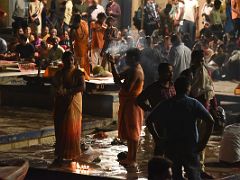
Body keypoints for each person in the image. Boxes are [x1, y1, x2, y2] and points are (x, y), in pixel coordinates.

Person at [146, 76, 214, 179]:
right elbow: (211, 121)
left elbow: (149, 120)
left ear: (175, 88)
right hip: (190, 146)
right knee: (193, 175)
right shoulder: (193, 103)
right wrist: (203, 142)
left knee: (175, 175)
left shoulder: (166, 104)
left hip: (171, 146)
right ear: (188, 88)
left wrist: (157, 138)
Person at [110, 48, 144, 167]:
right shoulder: (131, 69)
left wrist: (120, 83)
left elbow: (126, 88)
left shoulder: (135, 71)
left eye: (127, 57)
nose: (125, 59)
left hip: (133, 104)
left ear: (133, 58)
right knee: (130, 132)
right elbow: (117, 79)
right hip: (128, 103)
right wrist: (112, 64)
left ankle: (133, 159)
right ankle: (130, 157)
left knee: (133, 132)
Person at [53, 51, 85, 163]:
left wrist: (68, 91)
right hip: (61, 102)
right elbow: (54, 84)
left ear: (74, 60)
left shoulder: (78, 73)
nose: (69, 62)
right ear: (63, 61)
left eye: (71, 60)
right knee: (60, 126)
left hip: (73, 102)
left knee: (72, 127)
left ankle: (73, 153)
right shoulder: (59, 73)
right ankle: (61, 153)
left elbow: (82, 87)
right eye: (67, 60)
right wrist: (59, 89)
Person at [137, 63, 176, 155]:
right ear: (161, 73)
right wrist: (150, 109)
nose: (171, 74)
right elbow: (139, 100)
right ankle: (157, 167)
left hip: (174, 122)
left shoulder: (173, 86)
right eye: (168, 72)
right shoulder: (153, 88)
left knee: (172, 148)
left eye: (172, 71)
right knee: (160, 147)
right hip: (160, 122)